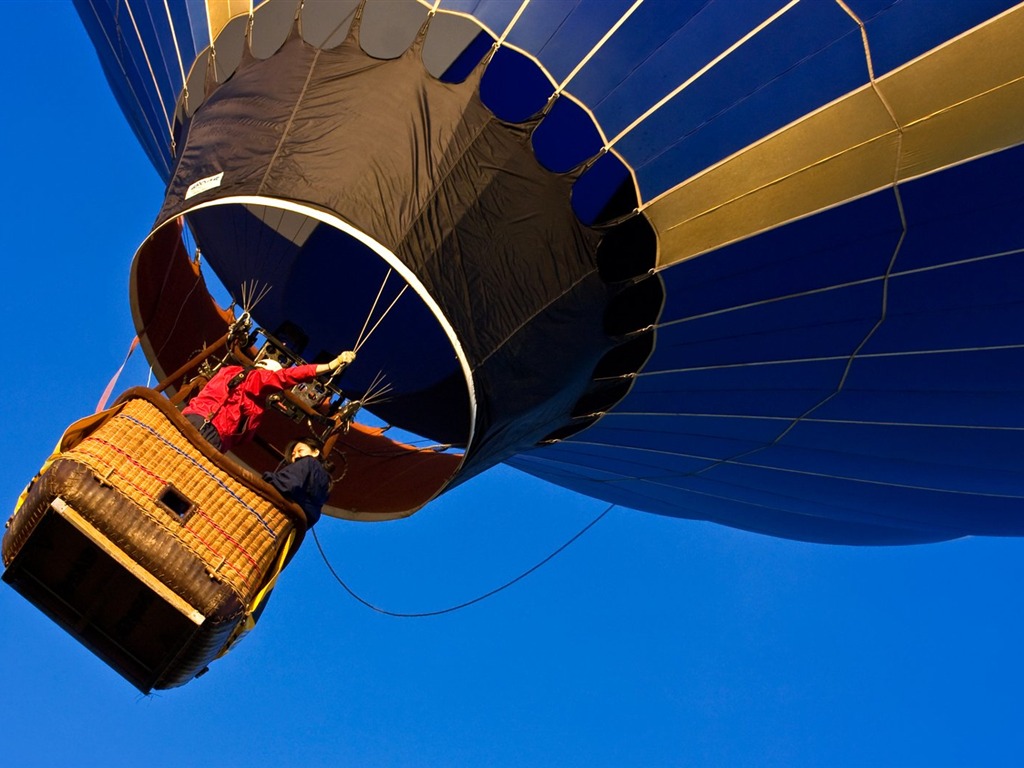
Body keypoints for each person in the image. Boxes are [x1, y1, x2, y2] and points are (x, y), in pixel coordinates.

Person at [183, 351, 355, 452]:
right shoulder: (256, 379)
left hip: (192, 417)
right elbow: (286, 377)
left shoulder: (229, 372)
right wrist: (331, 365)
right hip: (210, 429)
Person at [262, 437, 332, 526]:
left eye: (300, 451)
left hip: (276, 514)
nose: (295, 456)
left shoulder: (308, 461)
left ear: (315, 452)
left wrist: (267, 478)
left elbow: (287, 484)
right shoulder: (324, 483)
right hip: (290, 527)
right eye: (293, 454)